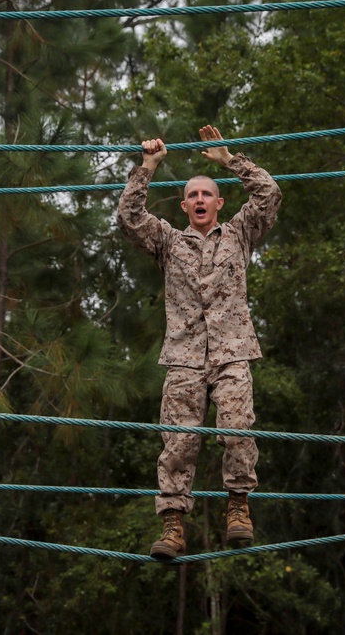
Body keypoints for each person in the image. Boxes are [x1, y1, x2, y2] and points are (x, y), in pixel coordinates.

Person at [116, 124, 283, 559]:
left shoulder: (240, 233)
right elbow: (130, 218)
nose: (200, 200)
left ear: (219, 202)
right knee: (178, 443)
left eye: (207, 194)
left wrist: (229, 160)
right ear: (184, 204)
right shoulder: (169, 242)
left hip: (232, 354)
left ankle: (239, 508)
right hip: (184, 359)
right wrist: (148, 167)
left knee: (237, 429)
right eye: (192, 195)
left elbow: (269, 195)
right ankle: (172, 526)